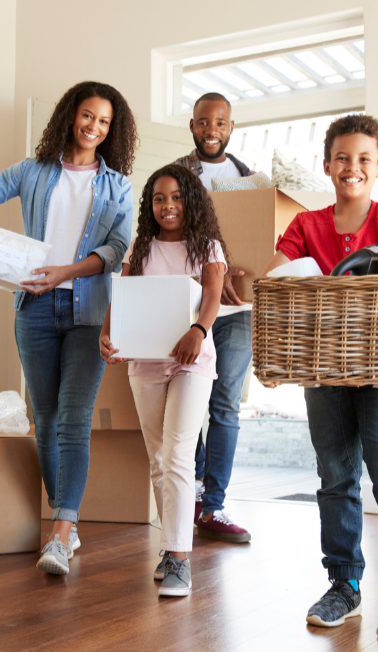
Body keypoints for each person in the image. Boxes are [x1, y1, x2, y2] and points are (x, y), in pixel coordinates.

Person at [264, 114, 378, 641]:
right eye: (342, 158)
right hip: (323, 372)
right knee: (335, 474)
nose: (352, 167)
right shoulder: (306, 227)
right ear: (327, 166)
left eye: (364, 158)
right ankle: (344, 584)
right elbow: (276, 284)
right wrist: (275, 351)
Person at [0, 81, 137, 576]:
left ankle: (58, 533)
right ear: (69, 116)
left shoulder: (118, 186)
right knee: (46, 419)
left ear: (111, 131)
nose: (93, 127)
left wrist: (65, 272)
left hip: (88, 312)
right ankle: (67, 524)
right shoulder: (32, 172)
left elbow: (118, 250)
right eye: (87, 116)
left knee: (75, 420)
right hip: (32, 311)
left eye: (104, 122)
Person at [99, 164, 227, 597]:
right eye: (158, 198)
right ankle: (171, 548)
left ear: (190, 199)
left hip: (192, 359)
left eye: (175, 197)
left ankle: (178, 559)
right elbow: (126, 292)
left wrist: (199, 331)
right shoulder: (142, 246)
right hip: (146, 361)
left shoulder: (206, 245)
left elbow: (211, 294)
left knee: (176, 453)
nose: (167, 206)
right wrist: (108, 332)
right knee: (159, 458)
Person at [174, 92, 253, 543]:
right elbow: (167, 229)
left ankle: (215, 505)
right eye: (203, 123)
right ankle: (197, 490)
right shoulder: (178, 176)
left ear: (230, 128)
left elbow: (262, 238)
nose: (211, 131)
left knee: (224, 404)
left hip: (238, 308)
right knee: (190, 395)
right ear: (192, 126)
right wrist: (213, 268)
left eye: (219, 123)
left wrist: (239, 268)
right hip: (190, 304)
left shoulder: (252, 181)